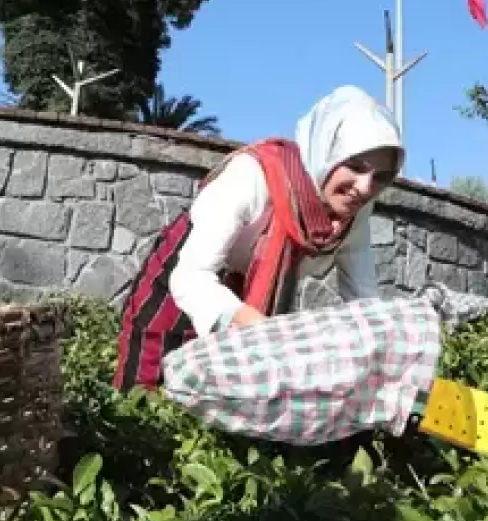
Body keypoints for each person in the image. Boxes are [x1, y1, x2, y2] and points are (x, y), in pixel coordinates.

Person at [114, 85, 402, 392]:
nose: (365, 188)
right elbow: (190, 277)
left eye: (381, 177)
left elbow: (363, 302)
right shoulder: (253, 176)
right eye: (355, 167)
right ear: (325, 152)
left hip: (254, 294)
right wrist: (262, 333)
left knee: (237, 396)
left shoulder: (354, 213)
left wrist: (389, 361)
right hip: (187, 279)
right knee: (148, 390)